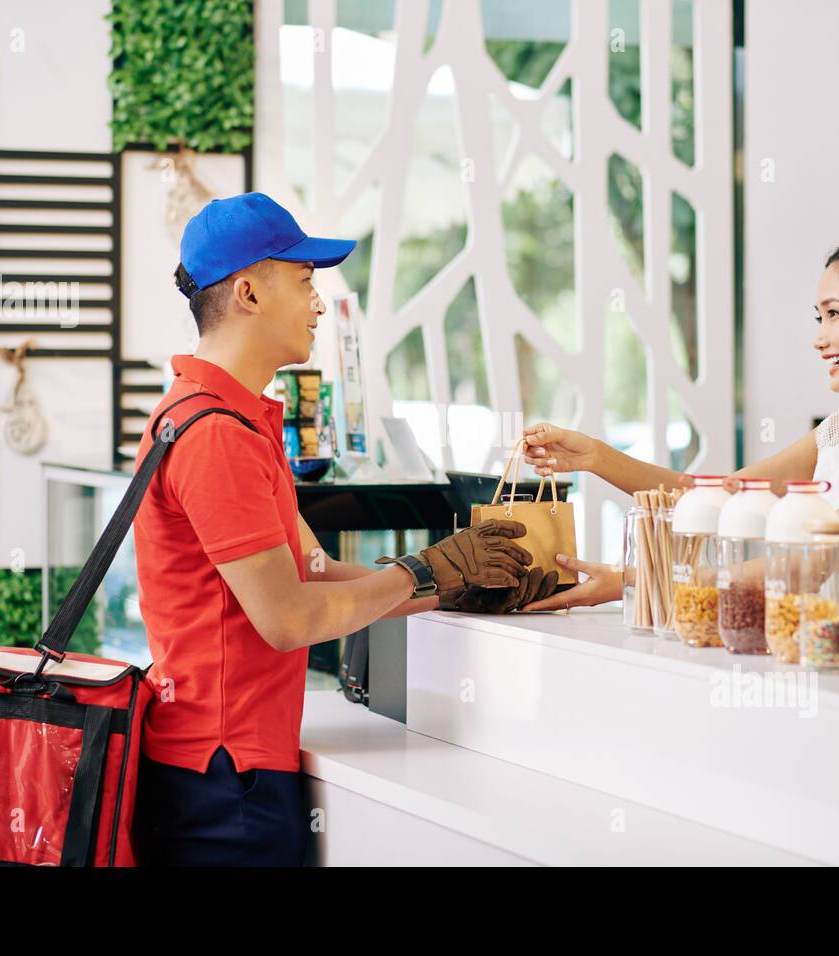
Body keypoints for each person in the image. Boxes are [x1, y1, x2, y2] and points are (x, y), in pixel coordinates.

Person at [131, 192, 559, 866]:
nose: (319, 304)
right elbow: (288, 618)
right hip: (225, 776)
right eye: (304, 282)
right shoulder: (215, 435)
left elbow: (318, 574)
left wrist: (461, 585)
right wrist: (428, 569)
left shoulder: (232, 418)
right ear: (247, 292)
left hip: (223, 767)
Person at [517, 234, 839, 612]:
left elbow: (822, 559)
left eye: (833, 315)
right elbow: (717, 495)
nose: (819, 339)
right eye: (819, 318)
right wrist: (595, 457)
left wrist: (635, 582)